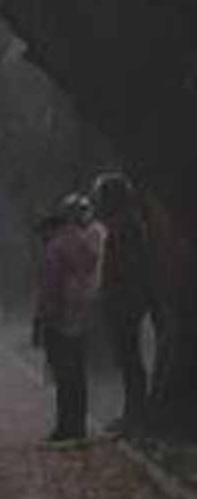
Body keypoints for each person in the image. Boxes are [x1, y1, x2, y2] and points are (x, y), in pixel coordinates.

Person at [91, 172, 153, 434]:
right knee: (125, 357)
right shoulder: (121, 225)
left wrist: (122, 296)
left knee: (129, 357)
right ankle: (132, 411)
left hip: (125, 300)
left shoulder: (126, 227)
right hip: (120, 299)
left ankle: (135, 413)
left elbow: (128, 267)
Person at [34, 197, 100, 445]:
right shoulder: (83, 242)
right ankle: (79, 425)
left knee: (63, 374)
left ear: (50, 229)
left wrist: (43, 318)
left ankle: (65, 426)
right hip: (81, 313)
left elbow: (49, 287)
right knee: (77, 372)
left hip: (59, 316)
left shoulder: (55, 248)